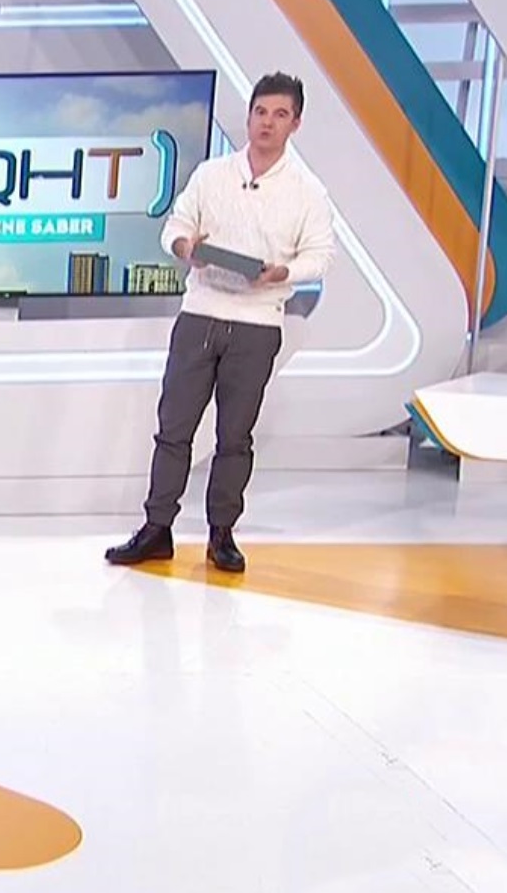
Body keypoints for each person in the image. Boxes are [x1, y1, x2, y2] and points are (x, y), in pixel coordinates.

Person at [106, 72, 337, 573]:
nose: (267, 123)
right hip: (200, 315)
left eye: (279, 115)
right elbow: (175, 227)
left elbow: (319, 256)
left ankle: (222, 534)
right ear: (249, 116)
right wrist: (185, 247)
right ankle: (157, 528)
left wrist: (283, 273)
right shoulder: (211, 174)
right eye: (260, 112)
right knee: (174, 429)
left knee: (235, 437)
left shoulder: (307, 192)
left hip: (257, 323)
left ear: (295, 123)